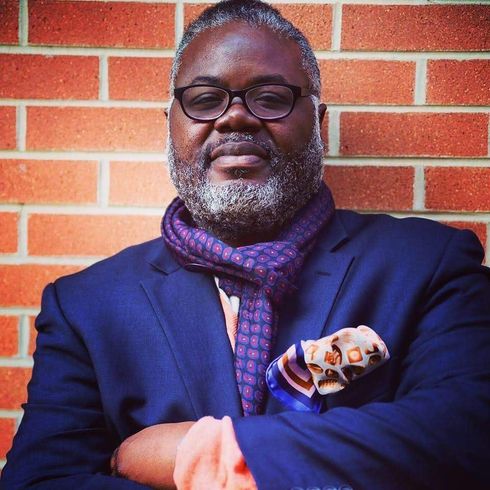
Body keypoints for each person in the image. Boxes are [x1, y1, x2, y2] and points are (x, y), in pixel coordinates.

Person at [2, 1, 490, 489]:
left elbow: (469, 438)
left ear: (318, 124)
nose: (235, 118)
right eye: (205, 98)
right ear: (170, 125)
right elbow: (40, 482)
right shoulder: (87, 305)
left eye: (271, 97)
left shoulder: (427, 265)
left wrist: (205, 456)